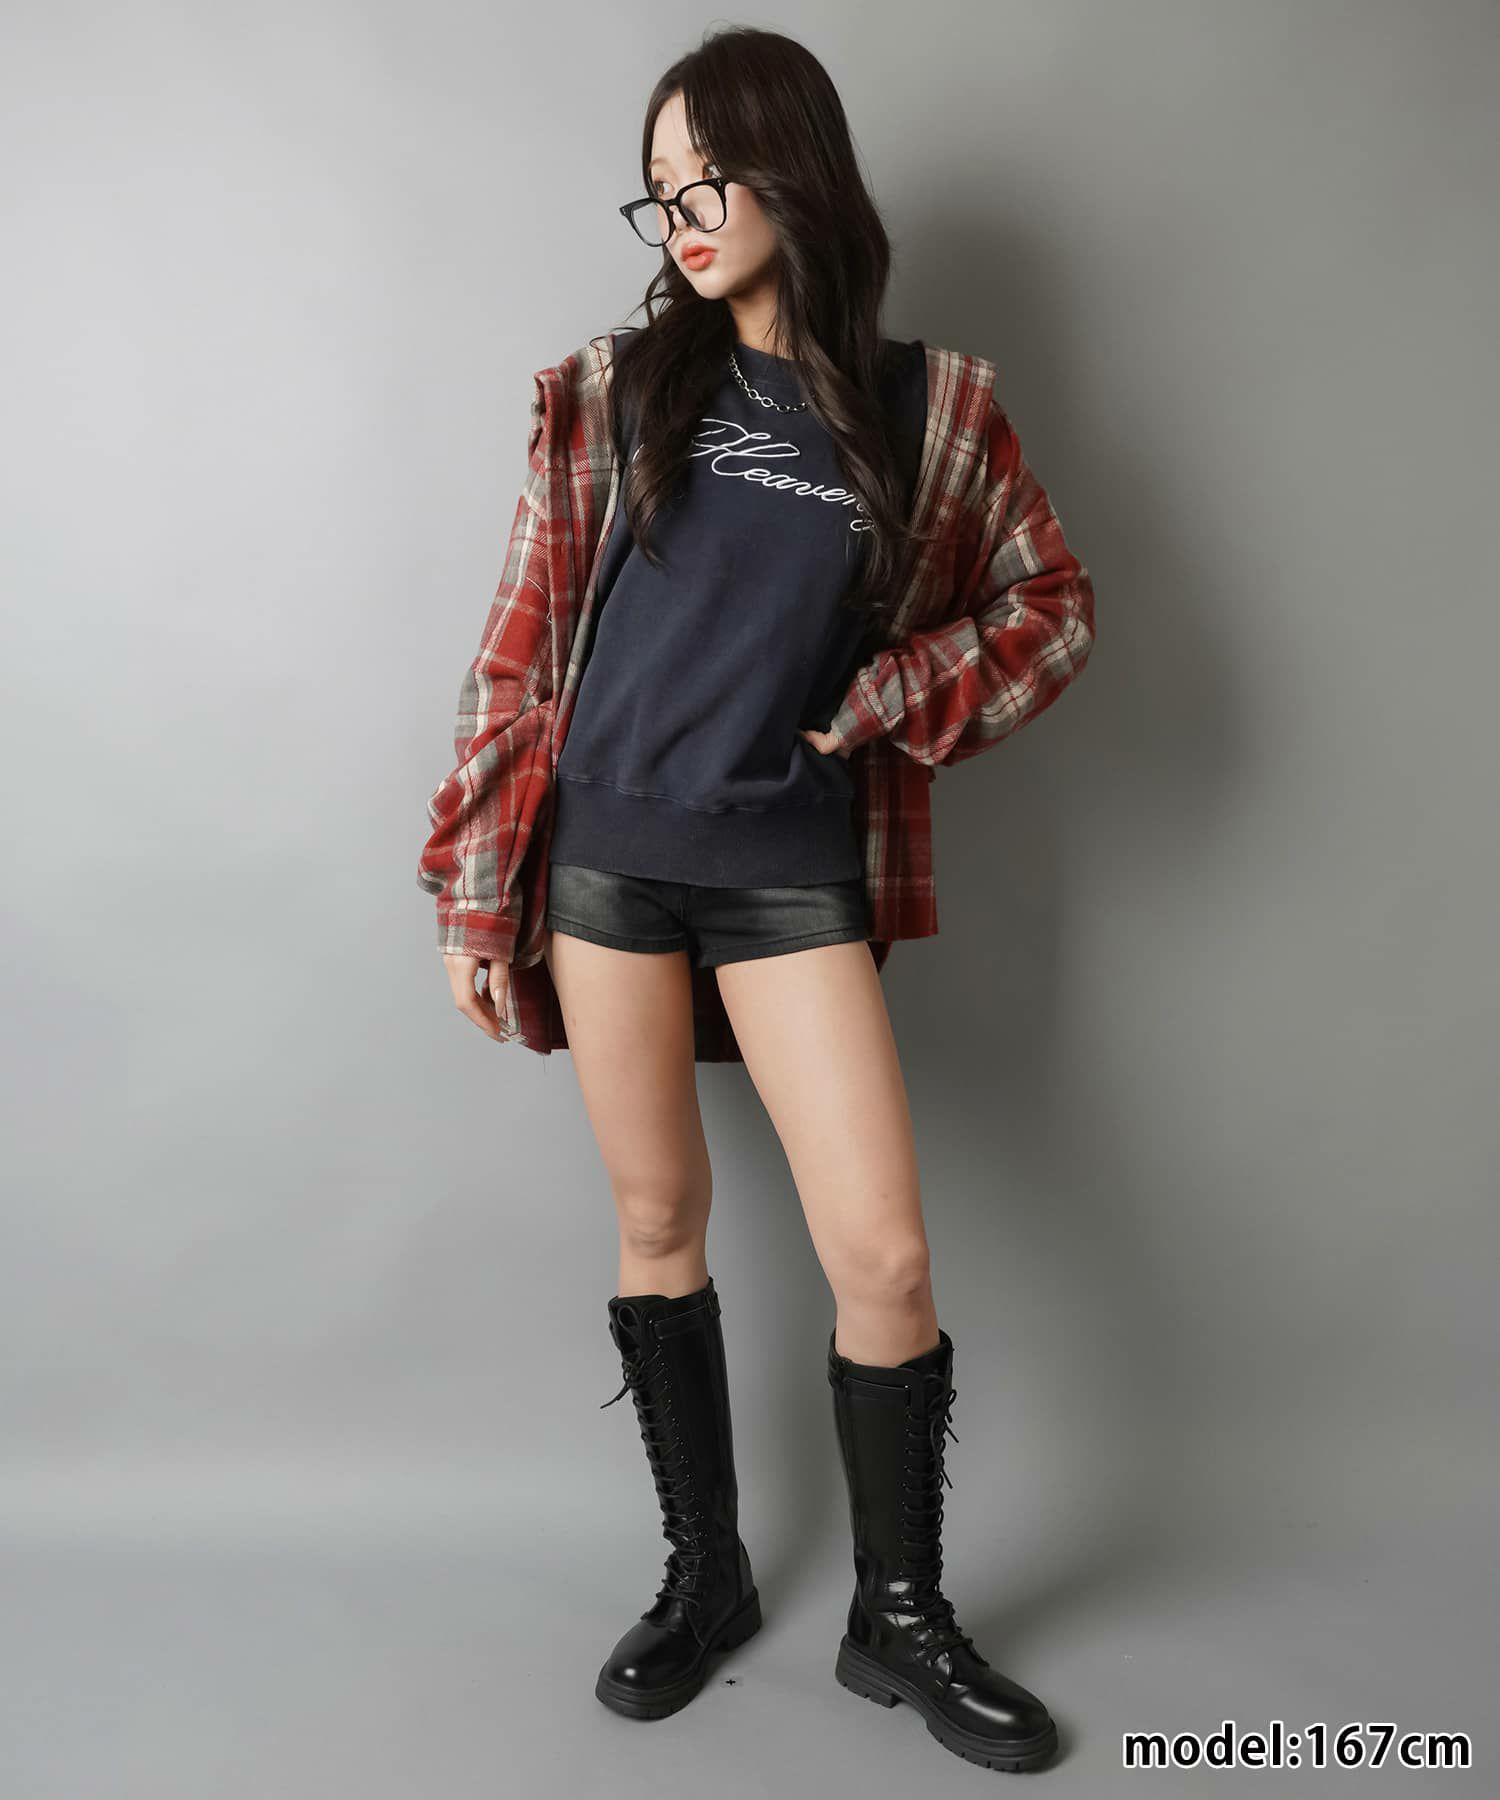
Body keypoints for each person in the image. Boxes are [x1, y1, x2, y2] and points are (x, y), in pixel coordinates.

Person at [416, 25, 1095, 1775]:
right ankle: (704, 1572)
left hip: (791, 868)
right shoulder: (613, 389)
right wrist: (478, 892)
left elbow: (1050, 608)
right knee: (659, 1224)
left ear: (798, 171)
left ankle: (900, 1616)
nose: (683, 215)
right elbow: (516, 652)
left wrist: (891, 698)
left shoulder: (933, 409)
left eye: (710, 175)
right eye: (659, 188)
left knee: (885, 1252)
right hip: (607, 865)